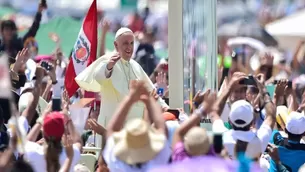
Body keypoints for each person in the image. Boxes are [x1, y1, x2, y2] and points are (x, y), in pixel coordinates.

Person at [75, 27, 169, 147]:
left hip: (134, 128)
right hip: (112, 128)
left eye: (131, 43)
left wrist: (165, 107)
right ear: (116, 44)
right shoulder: (109, 60)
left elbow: (151, 91)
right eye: (125, 43)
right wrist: (109, 67)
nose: (129, 47)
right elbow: (98, 77)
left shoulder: (135, 66)